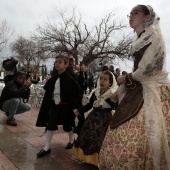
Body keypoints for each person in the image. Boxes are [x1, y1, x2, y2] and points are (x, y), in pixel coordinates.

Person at [99, 5, 170, 170]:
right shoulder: (140, 38)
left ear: (146, 17)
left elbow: (146, 70)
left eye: (135, 13)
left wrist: (123, 79)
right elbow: (138, 71)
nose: (130, 16)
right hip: (140, 89)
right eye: (129, 13)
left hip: (152, 91)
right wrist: (119, 90)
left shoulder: (153, 36)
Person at [36, 55, 84, 157]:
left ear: (66, 65)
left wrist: (76, 108)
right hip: (54, 107)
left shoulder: (70, 79)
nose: (57, 64)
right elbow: (49, 94)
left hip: (66, 108)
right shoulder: (53, 78)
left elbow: (76, 94)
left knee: (67, 126)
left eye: (60, 62)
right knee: (50, 125)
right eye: (56, 62)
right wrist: (48, 106)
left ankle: (71, 141)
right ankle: (47, 147)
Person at [74, 71, 118, 166]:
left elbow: (116, 107)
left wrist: (113, 101)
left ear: (110, 82)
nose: (102, 81)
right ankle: (88, 158)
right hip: (93, 117)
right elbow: (90, 105)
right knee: (88, 136)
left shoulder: (112, 93)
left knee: (101, 138)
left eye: (105, 79)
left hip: (105, 119)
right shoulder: (96, 92)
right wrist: (80, 111)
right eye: (101, 78)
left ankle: (100, 160)